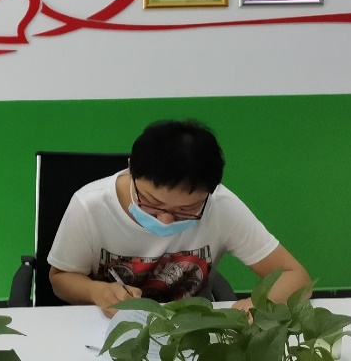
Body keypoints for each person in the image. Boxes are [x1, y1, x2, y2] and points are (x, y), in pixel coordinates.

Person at [47, 119, 310, 316]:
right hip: (107, 329)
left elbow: (296, 276)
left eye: (186, 210)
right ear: (131, 170)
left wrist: (258, 306)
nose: (165, 220)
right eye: (151, 203)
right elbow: (60, 279)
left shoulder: (221, 206)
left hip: (192, 334)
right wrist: (97, 292)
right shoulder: (91, 205)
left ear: (210, 192)